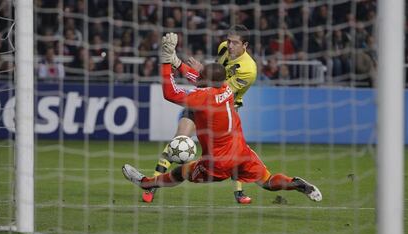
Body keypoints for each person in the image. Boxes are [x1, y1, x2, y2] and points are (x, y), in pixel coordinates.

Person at [122, 37, 322, 204]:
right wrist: (177, 62)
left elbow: (170, 93)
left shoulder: (203, 97)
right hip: (242, 152)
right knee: (268, 181)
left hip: (217, 161)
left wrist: (166, 62)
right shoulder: (226, 89)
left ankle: (146, 183)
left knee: (180, 172)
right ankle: (294, 183)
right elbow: (199, 77)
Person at [143, 25, 258, 204]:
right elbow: (208, 81)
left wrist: (177, 63)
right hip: (204, 102)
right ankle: (152, 184)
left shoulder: (248, 69)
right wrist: (189, 67)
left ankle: (239, 193)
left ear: (245, 45)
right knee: (178, 140)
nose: (229, 46)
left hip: (224, 109)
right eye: (228, 41)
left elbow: (215, 88)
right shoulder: (223, 48)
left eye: (235, 43)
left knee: (235, 151)